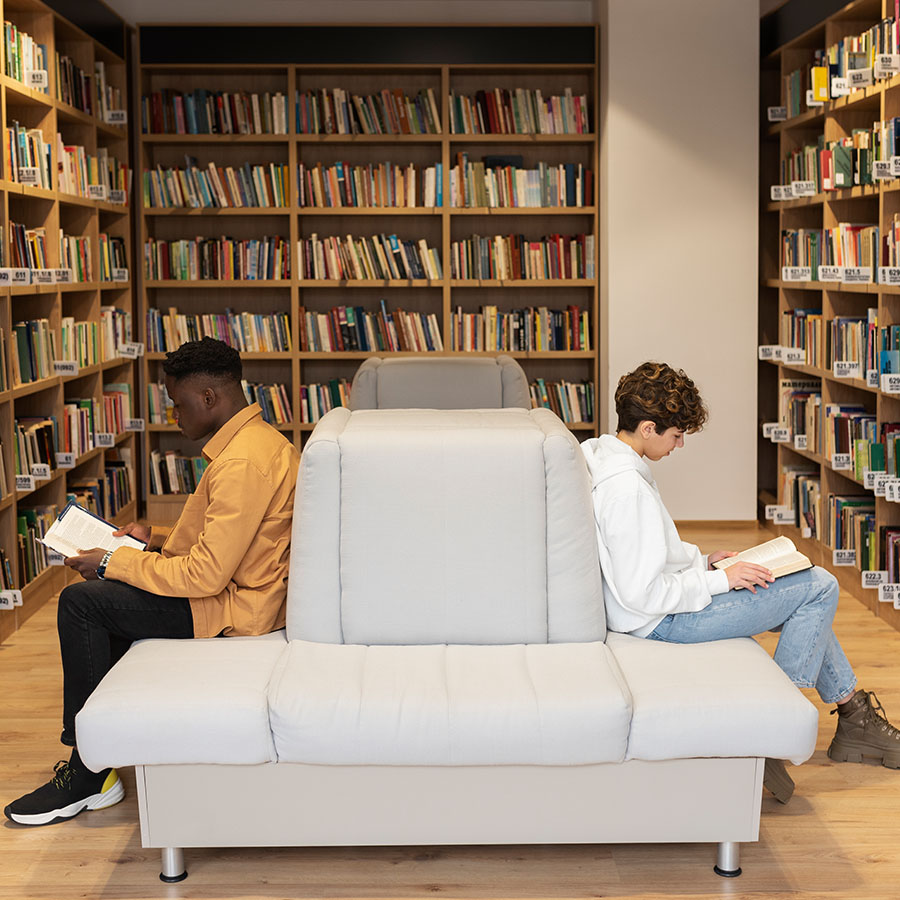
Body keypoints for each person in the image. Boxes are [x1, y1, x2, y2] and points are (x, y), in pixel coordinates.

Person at [5, 337, 300, 826]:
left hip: (234, 608)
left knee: (83, 604)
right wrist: (153, 540)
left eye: (178, 405)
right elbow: (227, 541)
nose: (173, 417)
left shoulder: (241, 463)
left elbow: (206, 574)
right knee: (102, 602)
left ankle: (86, 770)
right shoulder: (255, 443)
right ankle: (98, 757)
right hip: (234, 591)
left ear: (209, 398)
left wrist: (111, 562)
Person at [581, 360, 900, 803]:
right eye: (676, 436)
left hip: (662, 607)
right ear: (649, 428)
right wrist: (721, 581)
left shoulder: (606, 456)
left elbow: (643, 554)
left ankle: (853, 715)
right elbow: (642, 592)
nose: (680, 445)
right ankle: (773, 731)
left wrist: (702, 561)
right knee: (820, 587)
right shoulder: (626, 488)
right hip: (662, 620)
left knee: (806, 590)